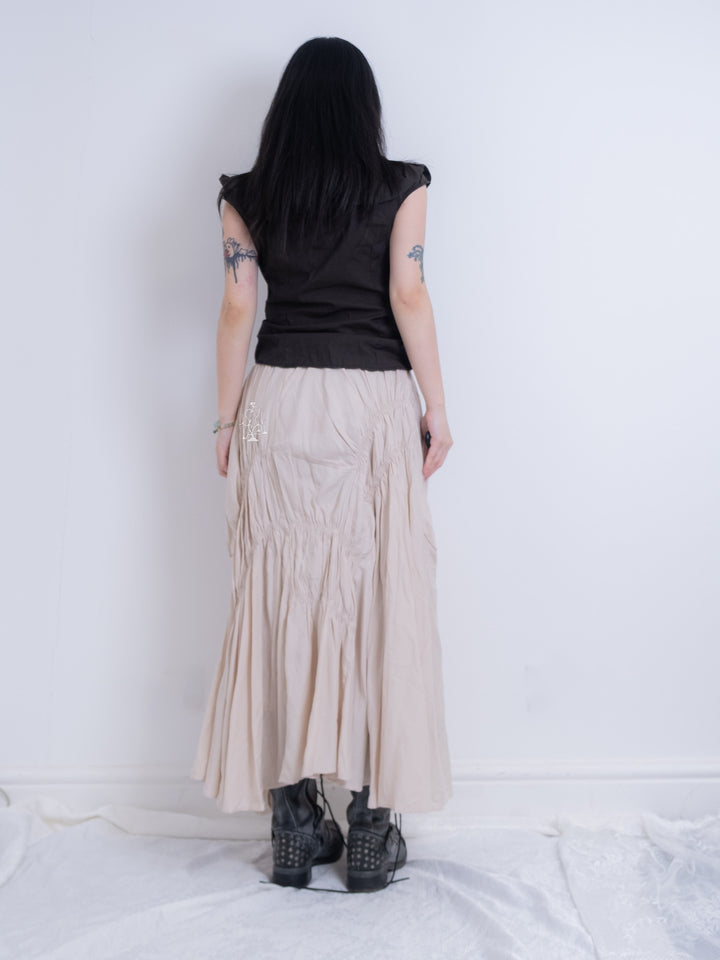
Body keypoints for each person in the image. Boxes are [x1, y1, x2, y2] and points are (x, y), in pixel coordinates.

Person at [190, 36, 454, 894]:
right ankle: (372, 827)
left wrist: (225, 418)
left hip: (277, 403)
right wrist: (436, 407)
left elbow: (239, 309)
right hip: (371, 404)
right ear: (363, 109)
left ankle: (295, 825)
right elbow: (408, 294)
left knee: (280, 600)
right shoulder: (401, 185)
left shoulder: (249, 195)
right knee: (380, 597)